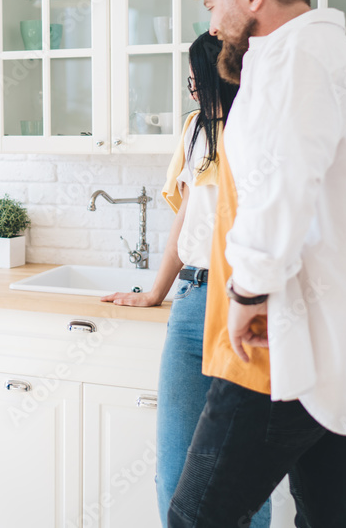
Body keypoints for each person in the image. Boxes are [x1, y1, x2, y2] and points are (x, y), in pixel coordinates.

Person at [167, 0, 346, 527]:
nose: (213, 24)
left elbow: (280, 188)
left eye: (213, 4)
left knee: (197, 517)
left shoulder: (293, 62)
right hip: (338, 341)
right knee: (330, 517)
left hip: (278, 339)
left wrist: (248, 292)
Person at [102, 32, 269, 527]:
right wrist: (156, 291)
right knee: (174, 471)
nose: (193, 93)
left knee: (243, 477)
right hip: (194, 301)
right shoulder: (196, 129)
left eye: (197, 83)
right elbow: (188, 215)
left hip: (248, 303)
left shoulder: (263, 130)